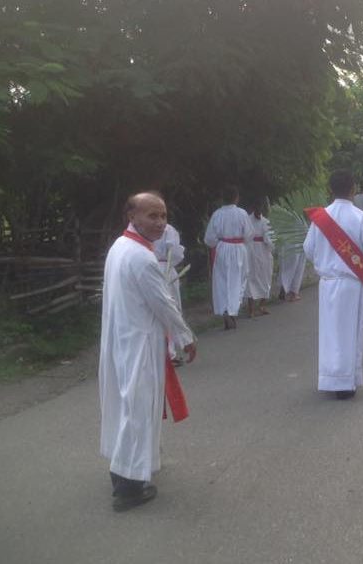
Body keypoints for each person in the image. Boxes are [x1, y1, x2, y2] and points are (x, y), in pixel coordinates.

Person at [98, 192, 197, 512]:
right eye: (151, 216)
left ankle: (128, 468)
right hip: (138, 341)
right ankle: (127, 486)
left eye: (163, 216)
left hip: (124, 337)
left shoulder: (120, 246)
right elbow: (163, 304)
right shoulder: (141, 257)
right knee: (137, 409)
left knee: (128, 405)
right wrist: (186, 337)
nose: (159, 223)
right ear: (131, 215)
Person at [303, 169, 363, 399]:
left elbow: (309, 250)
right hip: (351, 284)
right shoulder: (361, 218)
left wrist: (326, 261)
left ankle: (331, 379)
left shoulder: (320, 219)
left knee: (330, 333)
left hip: (328, 283)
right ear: (352, 189)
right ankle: (346, 382)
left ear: (330, 189)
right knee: (350, 332)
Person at [204, 185, 253, 329]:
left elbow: (209, 238)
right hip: (238, 249)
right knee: (238, 280)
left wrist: (218, 243)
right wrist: (241, 242)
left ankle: (225, 309)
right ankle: (232, 310)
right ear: (236, 198)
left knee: (222, 281)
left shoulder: (217, 214)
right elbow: (249, 234)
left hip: (222, 248)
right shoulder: (242, 213)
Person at [245, 197, 275, 317]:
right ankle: (251, 309)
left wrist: (271, 245)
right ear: (253, 209)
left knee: (265, 277)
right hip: (251, 251)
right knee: (251, 279)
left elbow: (269, 240)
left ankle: (262, 305)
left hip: (263, 252)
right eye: (257, 209)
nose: (258, 211)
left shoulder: (265, 221)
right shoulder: (247, 220)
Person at [153, 223, 185, 310]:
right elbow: (174, 252)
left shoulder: (141, 228)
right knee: (172, 302)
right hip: (166, 267)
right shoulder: (168, 228)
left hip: (149, 267)